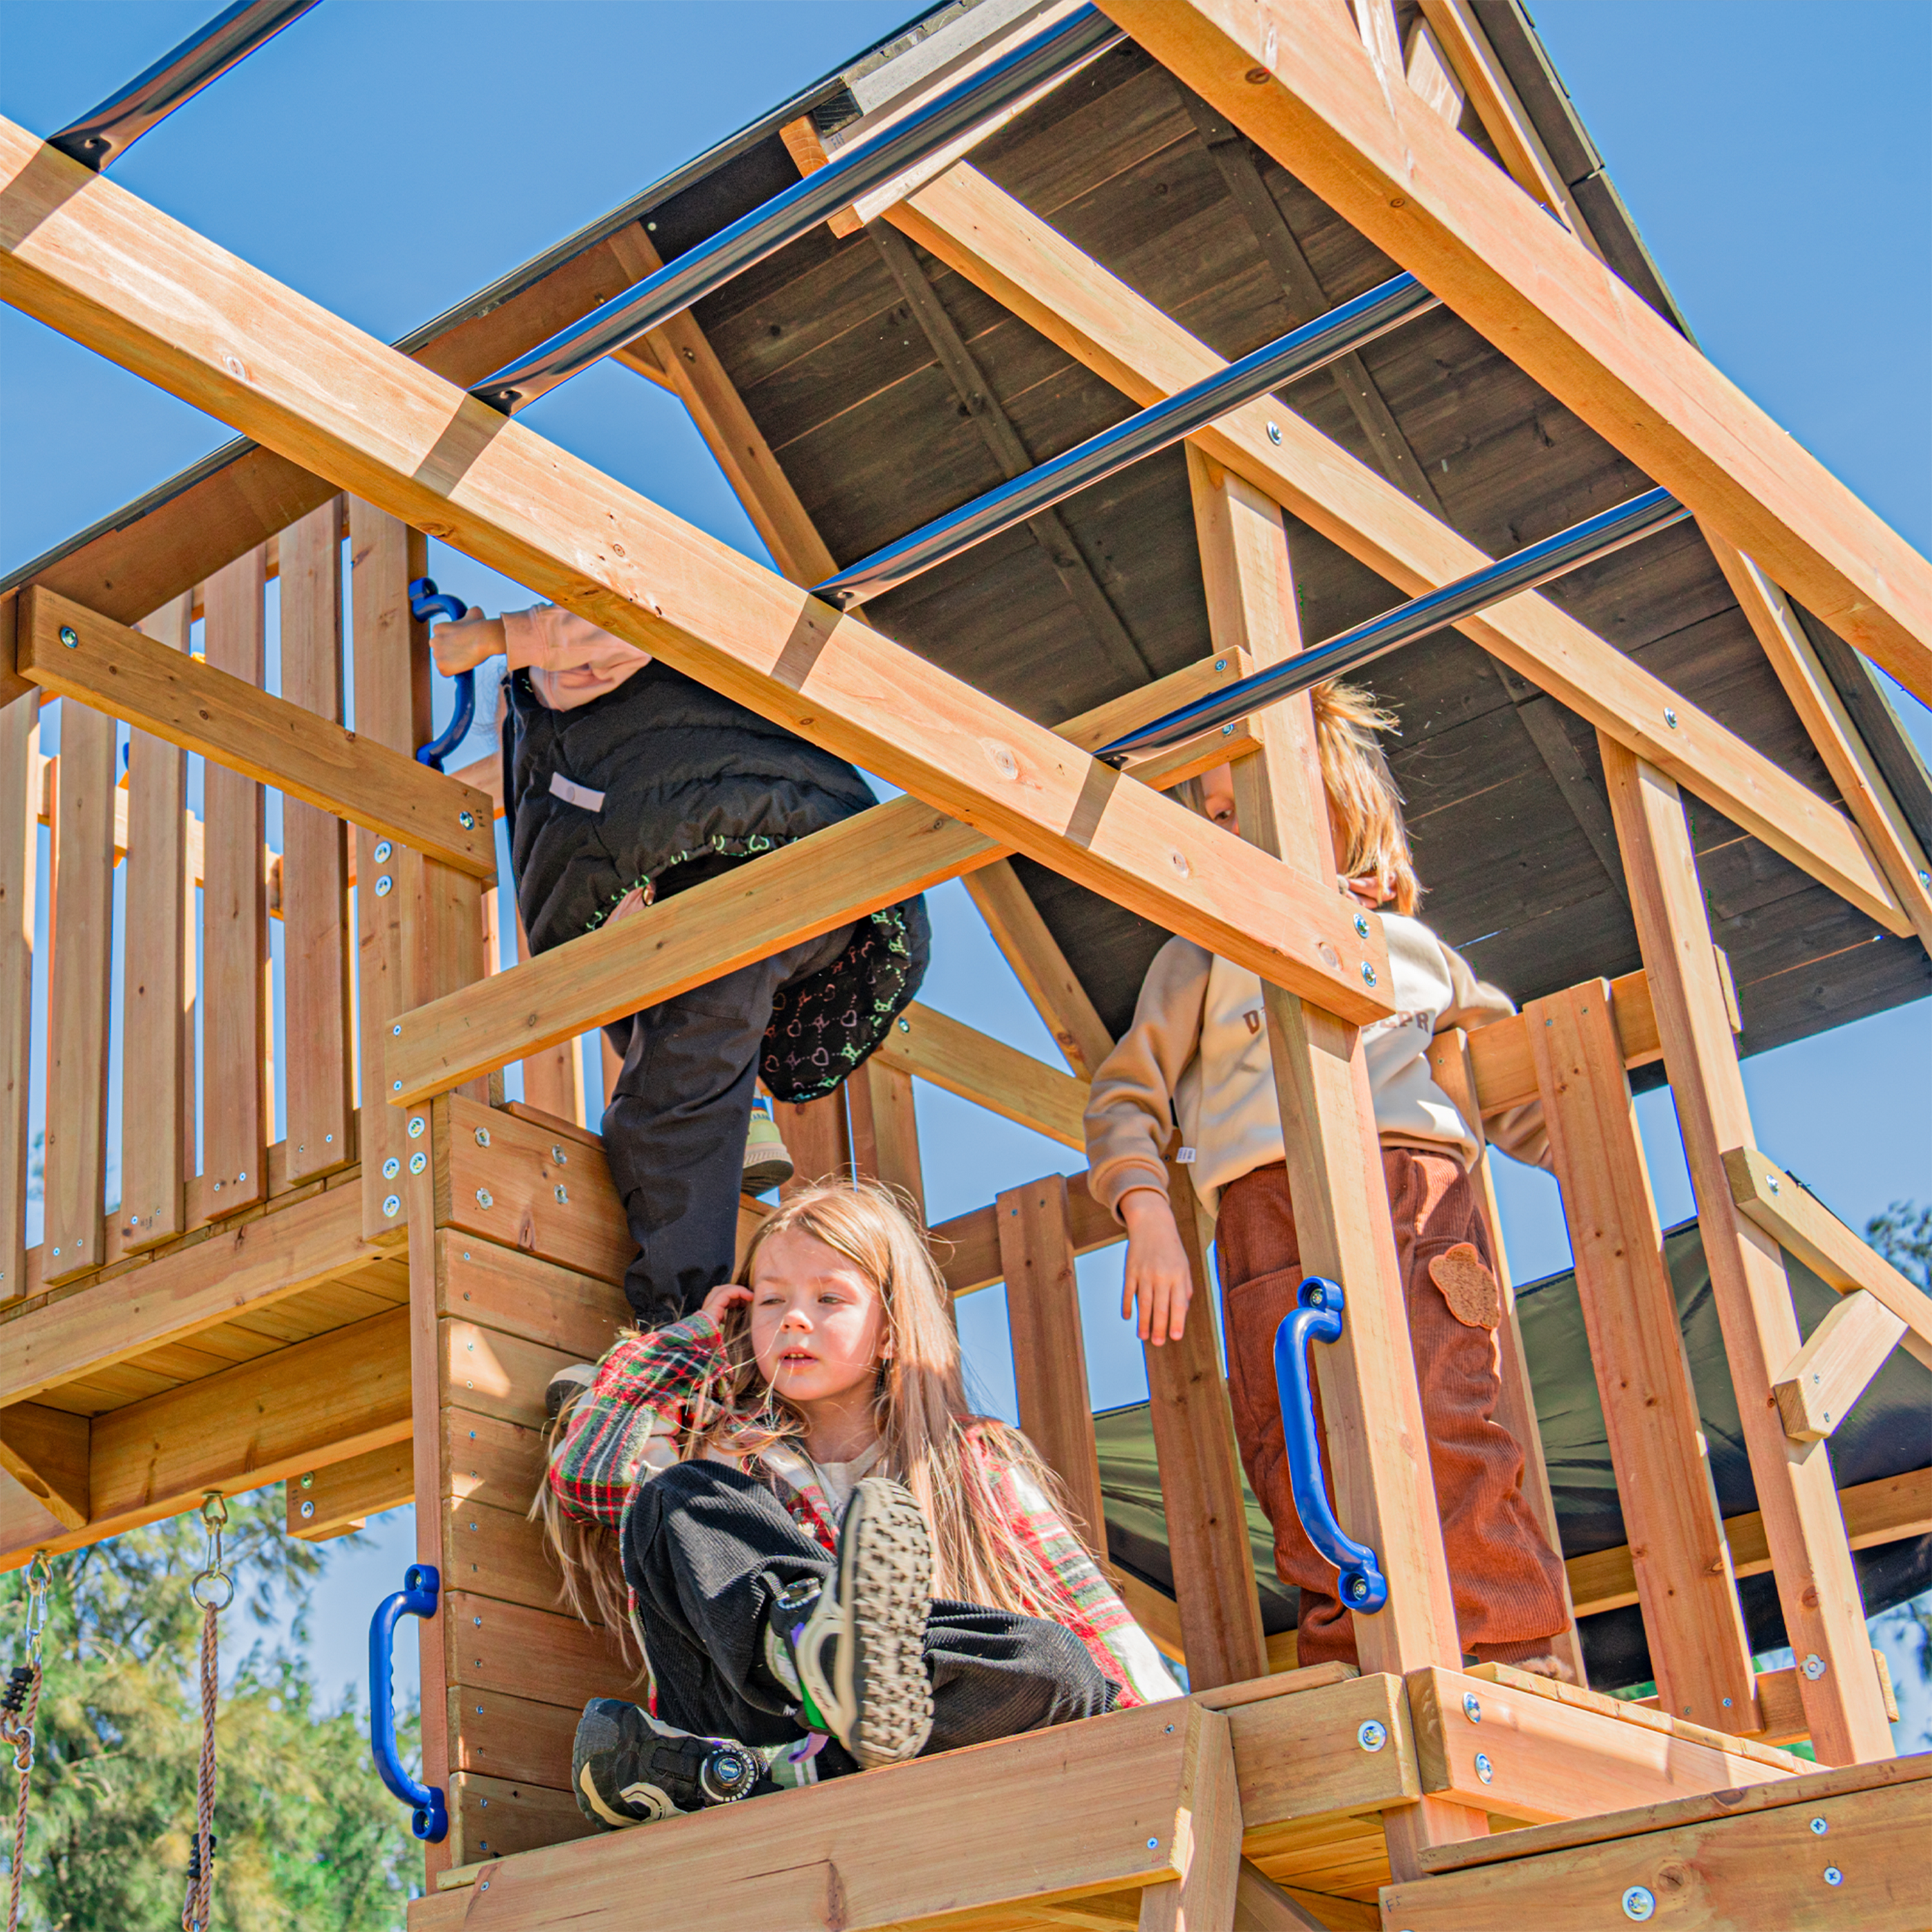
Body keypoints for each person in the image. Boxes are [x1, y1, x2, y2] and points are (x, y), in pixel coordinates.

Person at [1083, 679, 1570, 1676]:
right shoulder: (1204, 957)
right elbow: (1127, 1095)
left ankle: (1512, 1648)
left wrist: (1594, 1152)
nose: (1226, 826)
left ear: (1335, 800)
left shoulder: (1419, 954)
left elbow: (1518, 1089)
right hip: (1271, 1211)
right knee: (1294, 1438)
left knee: (1453, 1415)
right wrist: (1150, 1216)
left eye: (1242, 804)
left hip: (1420, 1201)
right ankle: (1353, 1657)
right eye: (1213, 815)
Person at [536, 1182, 1179, 1829]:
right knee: (676, 1496)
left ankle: (784, 1755)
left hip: (913, 1740)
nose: (793, 1318)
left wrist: (1169, 1744)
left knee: (1056, 1661)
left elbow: (1089, 1615)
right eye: (771, 1300)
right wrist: (690, 1345)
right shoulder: (720, 1448)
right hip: (759, 1712)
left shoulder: (972, 1459)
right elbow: (589, 1475)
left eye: (829, 1298)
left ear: (891, 1331)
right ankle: (808, 1648)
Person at [431, 603, 929, 1326]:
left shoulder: (602, 637)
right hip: (751, 871)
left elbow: (615, 618)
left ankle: (682, 1321)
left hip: (749, 865)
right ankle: (743, 1114)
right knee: (666, 1031)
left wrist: (496, 639)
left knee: (671, 1089)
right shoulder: (567, 720)